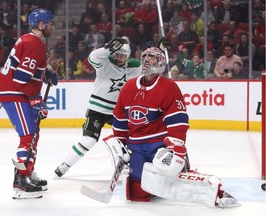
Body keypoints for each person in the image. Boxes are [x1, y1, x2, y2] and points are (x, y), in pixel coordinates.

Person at [111, 46, 239, 207]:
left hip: (159, 144)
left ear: (160, 64)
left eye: (152, 58)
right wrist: (120, 143)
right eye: (145, 57)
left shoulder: (168, 87)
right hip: (136, 146)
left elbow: (177, 119)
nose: (146, 60)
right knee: (138, 193)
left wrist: (177, 146)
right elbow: (119, 118)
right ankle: (157, 183)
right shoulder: (129, 87)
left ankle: (215, 191)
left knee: (173, 175)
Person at [0, 8, 58, 199]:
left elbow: (27, 71)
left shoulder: (28, 40)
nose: (52, 26)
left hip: (15, 91)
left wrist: (45, 74)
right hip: (14, 93)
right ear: (41, 24)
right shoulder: (34, 44)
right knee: (28, 136)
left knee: (32, 134)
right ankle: (20, 182)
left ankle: (27, 172)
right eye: (50, 23)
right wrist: (36, 99)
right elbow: (21, 79)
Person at [54, 37, 141, 177]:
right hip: (97, 110)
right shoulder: (105, 62)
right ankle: (65, 164)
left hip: (118, 112)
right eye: (117, 54)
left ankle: (129, 163)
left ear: (128, 56)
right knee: (89, 140)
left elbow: (150, 70)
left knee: (130, 138)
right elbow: (92, 57)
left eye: (122, 55)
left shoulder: (134, 67)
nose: (119, 58)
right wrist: (108, 48)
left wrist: (161, 50)